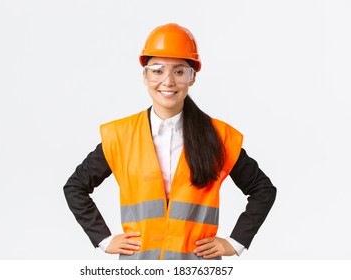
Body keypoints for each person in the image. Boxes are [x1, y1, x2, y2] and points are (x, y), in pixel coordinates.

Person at [63, 23, 276, 260]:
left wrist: (235, 243)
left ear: (192, 78)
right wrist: (103, 240)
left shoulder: (218, 136)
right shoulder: (120, 136)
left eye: (179, 71)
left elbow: (263, 190)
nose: (168, 81)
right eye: (157, 70)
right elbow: (75, 187)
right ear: (145, 75)